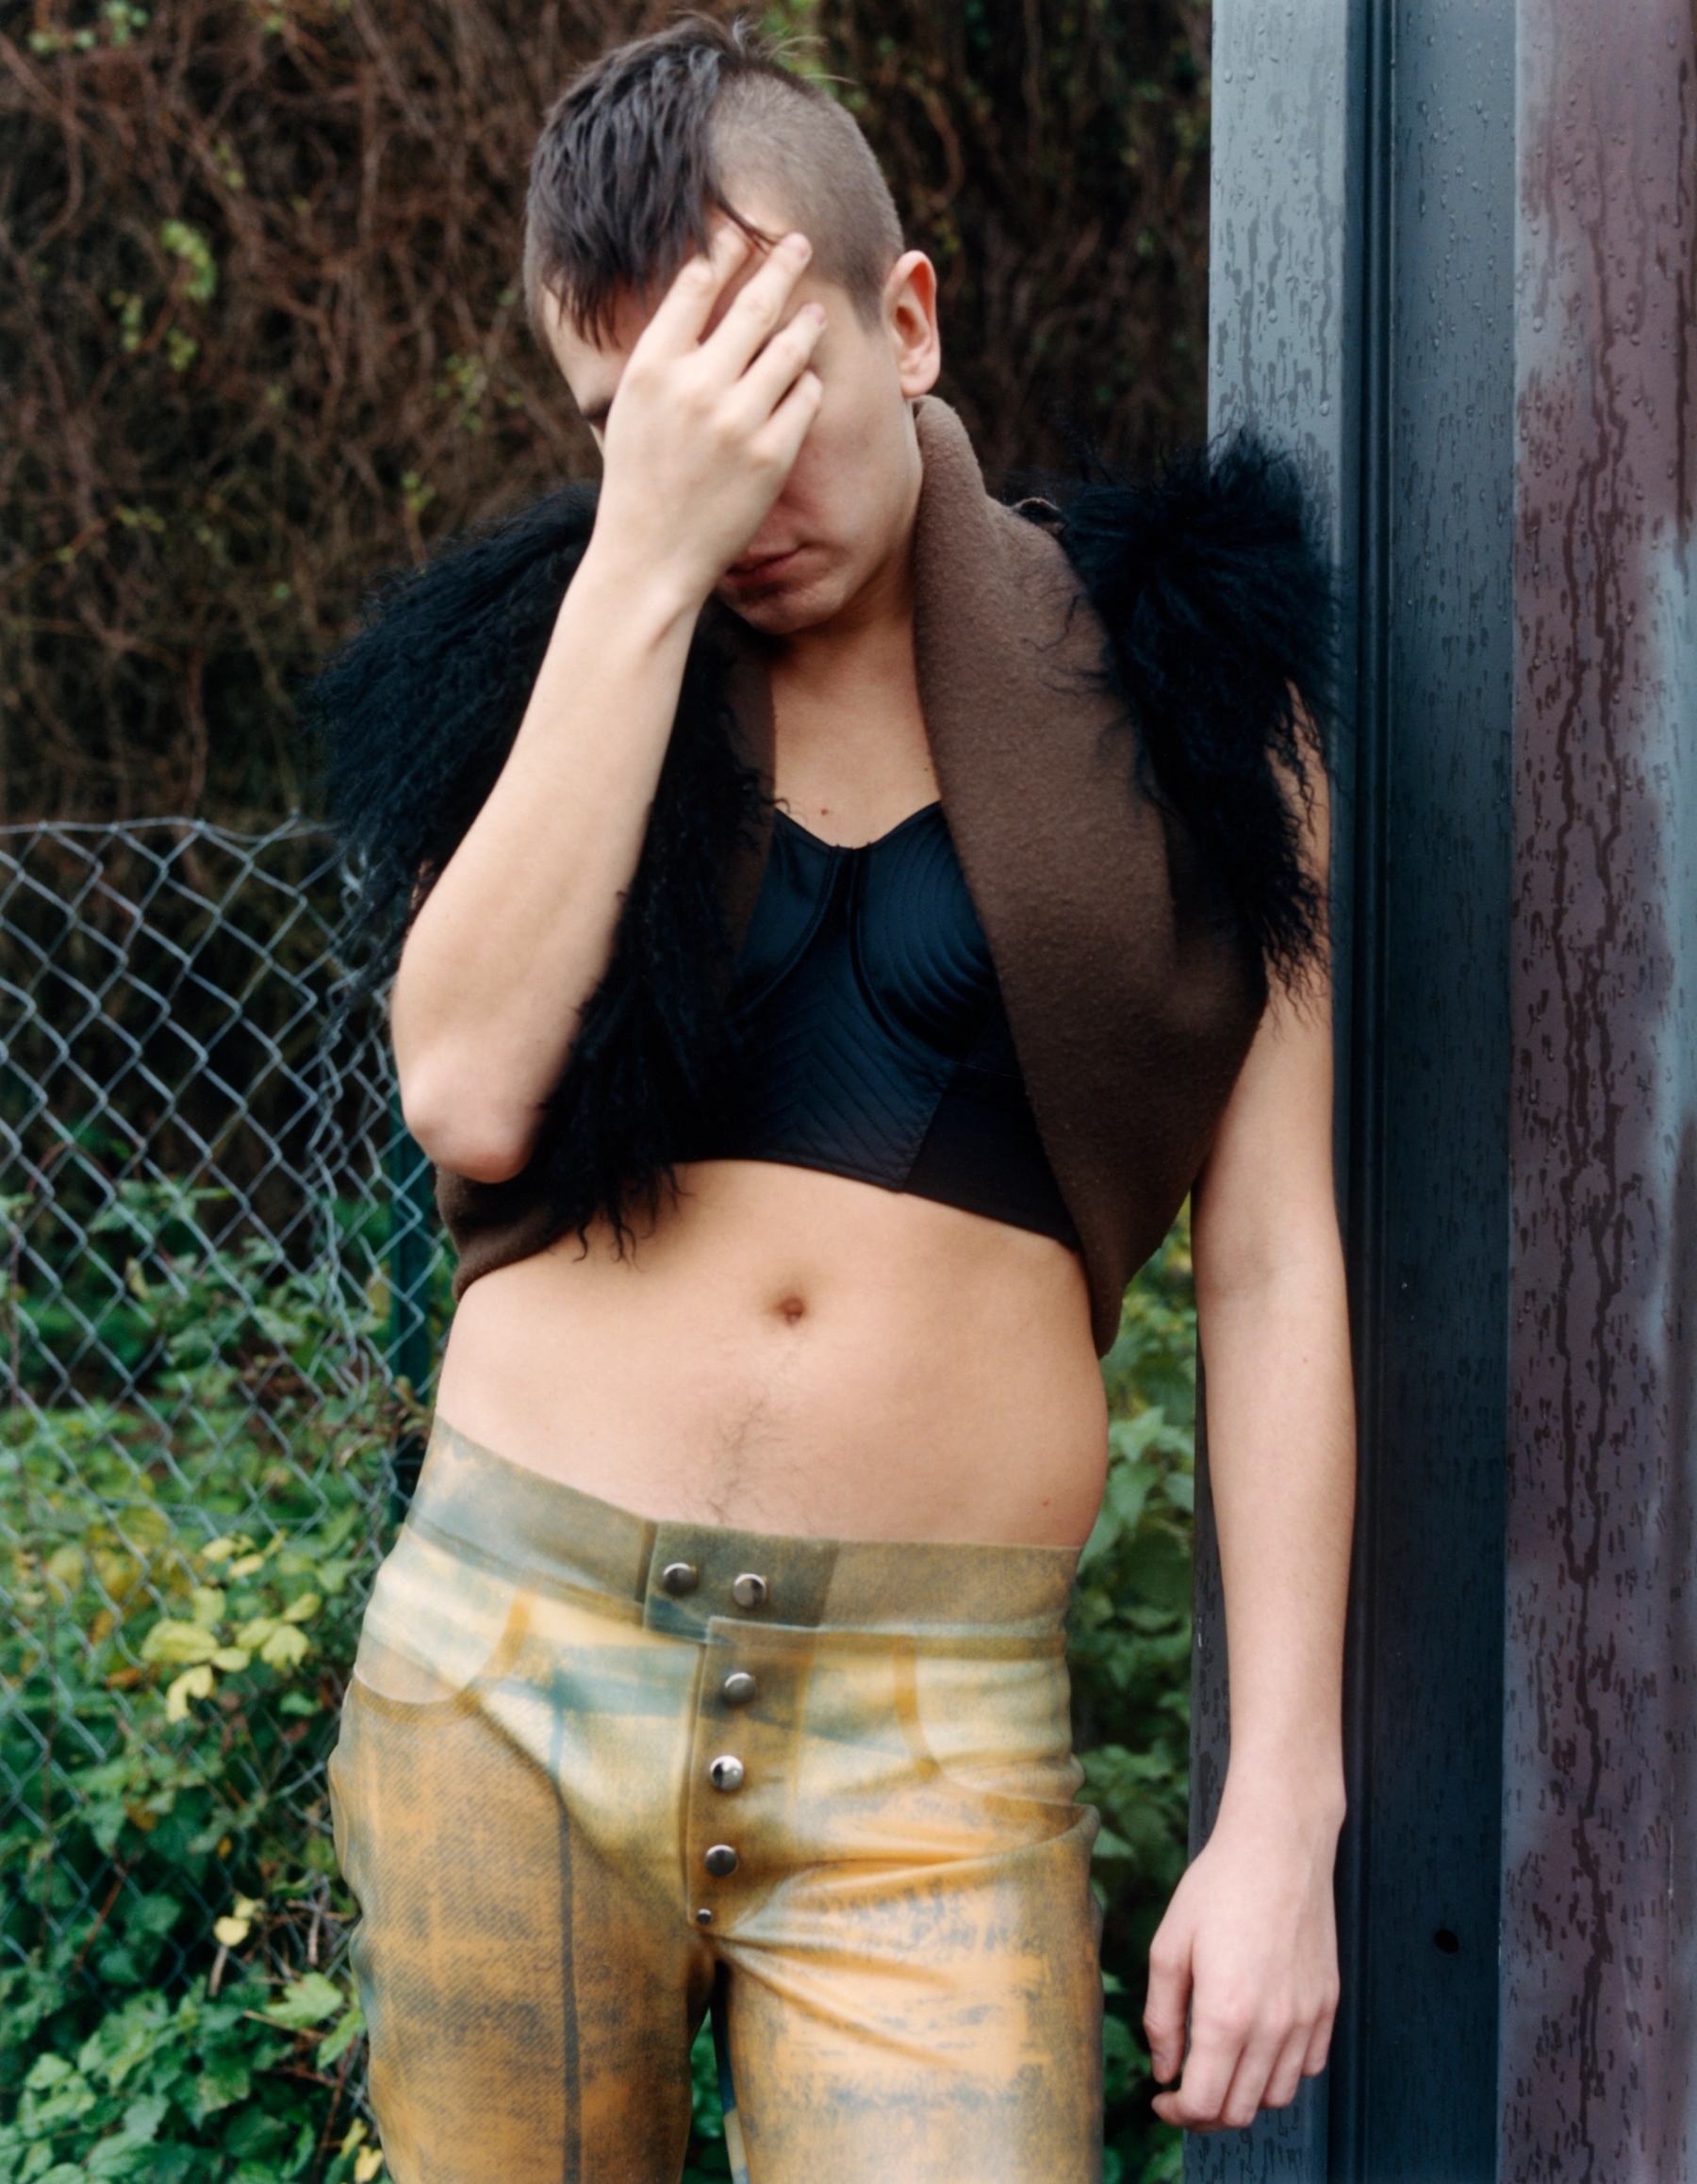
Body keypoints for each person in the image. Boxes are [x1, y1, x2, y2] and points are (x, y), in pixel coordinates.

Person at [314, 15, 1355, 2182]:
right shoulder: (543, 670)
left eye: (764, 386)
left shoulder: (1194, 698)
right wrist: (637, 563)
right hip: (505, 1667)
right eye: (648, 427)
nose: (732, 484)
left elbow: (1269, 1264)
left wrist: (1284, 1805)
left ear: (906, 322)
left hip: (932, 1738)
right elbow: (466, 1088)